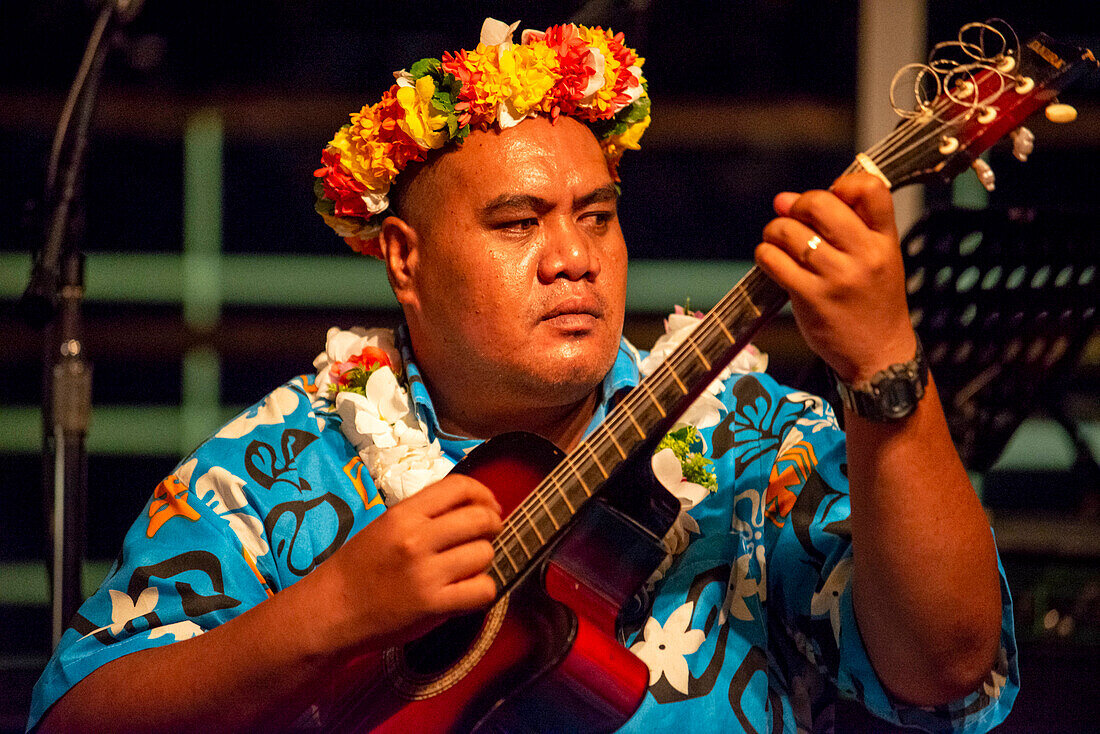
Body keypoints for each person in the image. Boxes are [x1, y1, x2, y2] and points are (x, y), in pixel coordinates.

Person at [29, 18, 1018, 733]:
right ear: (405, 260)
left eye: (594, 216)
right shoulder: (283, 462)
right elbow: (75, 718)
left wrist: (884, 365)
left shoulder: (751, 439)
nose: (573, 258)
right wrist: (325, 611)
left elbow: (946, 669)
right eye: (516, 222)